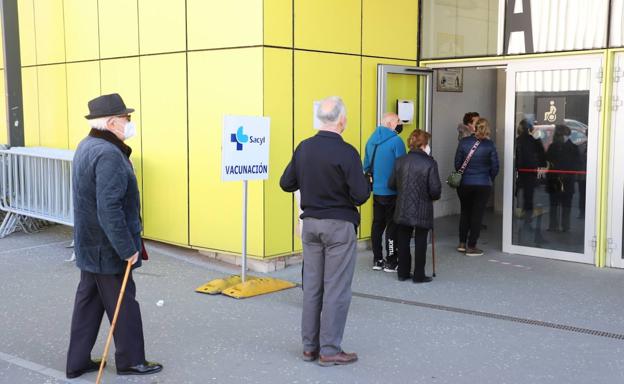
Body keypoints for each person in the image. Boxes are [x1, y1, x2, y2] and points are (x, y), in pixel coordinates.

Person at [66, 94, 162, 379]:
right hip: (107, 247)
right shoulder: (108, 154)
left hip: (90, 244)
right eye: (126, 118)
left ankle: (77, 361)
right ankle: (132, 360)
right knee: (124, 303)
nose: (129, 122)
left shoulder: (87, 145)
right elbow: (109, 207)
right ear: (111, 122)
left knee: (88, 302)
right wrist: (126, 248)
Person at [280, 96, 370, 367]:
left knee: (313, 288)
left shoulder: (304, 148)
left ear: (322, 119)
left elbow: (286, 183)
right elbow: (360, 195)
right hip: (339, 227)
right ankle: (330, 350)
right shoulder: (347, 152)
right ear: (342, 120)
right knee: (336, 289)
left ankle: (309, 348)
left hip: (311, 226)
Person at [388, 130, 441, 283]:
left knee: (403, 239)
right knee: (421, 240)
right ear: (424, 145)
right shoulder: (430, 162)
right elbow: (435, 190)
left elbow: (391, 184)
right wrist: (433, 197)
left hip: (403, 206)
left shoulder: (400, 161)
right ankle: (419, 275)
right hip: (423, 207)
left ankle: (403, 273)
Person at [362, 112, 406, 272]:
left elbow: (366, 166)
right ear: (391, 124)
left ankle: (377, 259)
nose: (400, 124)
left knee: (377, 225)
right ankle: (391, 260)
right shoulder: (396, 141)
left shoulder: (371, 140)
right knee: (392, 226)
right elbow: (403, 167)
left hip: (377, 191)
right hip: (393, 191)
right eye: (398, 121)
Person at [454, 118, 499, 256]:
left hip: (465, 184)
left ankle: (462, 243)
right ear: (487, 129)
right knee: (477, 215)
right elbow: (495, 167)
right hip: (483, 184)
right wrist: (488, 178)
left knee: (465, 212)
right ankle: (471, 246)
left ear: (474, 128)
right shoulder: (490, 145)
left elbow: (457, 164)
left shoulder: (463, 142)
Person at [546, 124, 580, 232]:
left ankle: (565, 226)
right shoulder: (553, 147)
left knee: (566, 206)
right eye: (557, 134)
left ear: (566, 135)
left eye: (559, 134)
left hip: (567, 180)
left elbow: (577, 164)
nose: (557, 136)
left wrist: (567, 173)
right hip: (554, 180)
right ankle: (553, 225)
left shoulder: (573, 148)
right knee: (553, 204)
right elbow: (547, 161)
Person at [514, 119, 547, 222]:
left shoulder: (517, 141)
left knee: (517, 194)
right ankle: (527, 217)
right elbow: (542, 157)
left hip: (519, 171)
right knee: (528, 196)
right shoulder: (534, 141)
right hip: (530, 171)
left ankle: (519, 214)